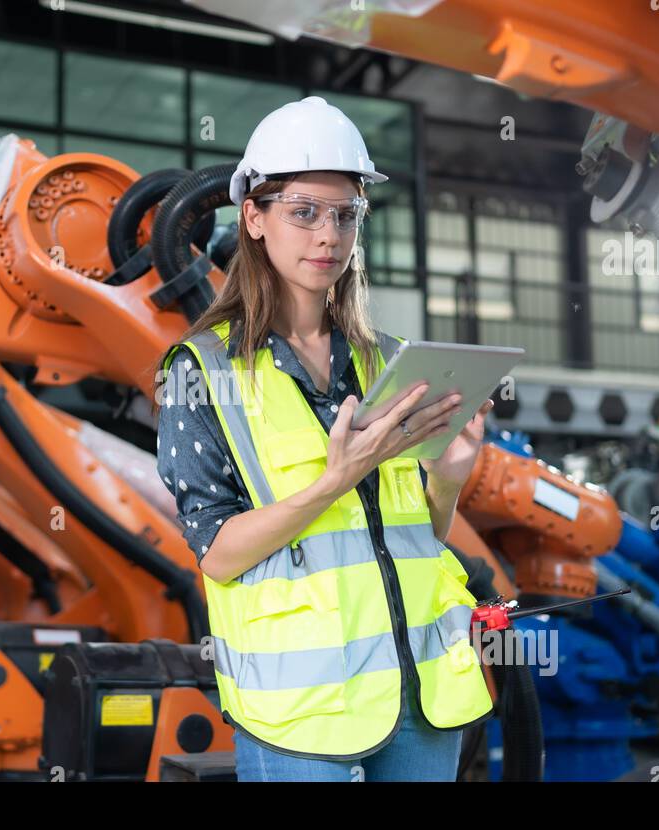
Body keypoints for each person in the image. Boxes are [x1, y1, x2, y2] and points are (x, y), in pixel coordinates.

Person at [155, 96, 496, 782]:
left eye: (346, 215)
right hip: (302, 705)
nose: (328, 236)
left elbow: (416, 536)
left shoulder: (389, 361)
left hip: (416, 691)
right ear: (253, 216)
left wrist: (450, 477)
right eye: (303, 211)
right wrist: (336, 479)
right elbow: (216, 554)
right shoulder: (203, 371)